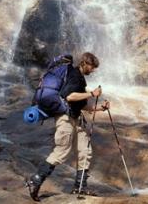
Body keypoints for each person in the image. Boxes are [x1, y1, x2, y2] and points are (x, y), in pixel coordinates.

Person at [26, 52, 110, 202]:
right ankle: (35, 180)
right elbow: (69, 96)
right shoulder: (73, 74)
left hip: (77, 117)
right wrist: (91, 93)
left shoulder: (80, 79)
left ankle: (80, 187)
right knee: (62, 151)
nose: (93, 71)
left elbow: (82, 104)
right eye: (92, 67)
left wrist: (100, 108)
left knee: (85, 151)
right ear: (84, 63)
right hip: (65, 118)